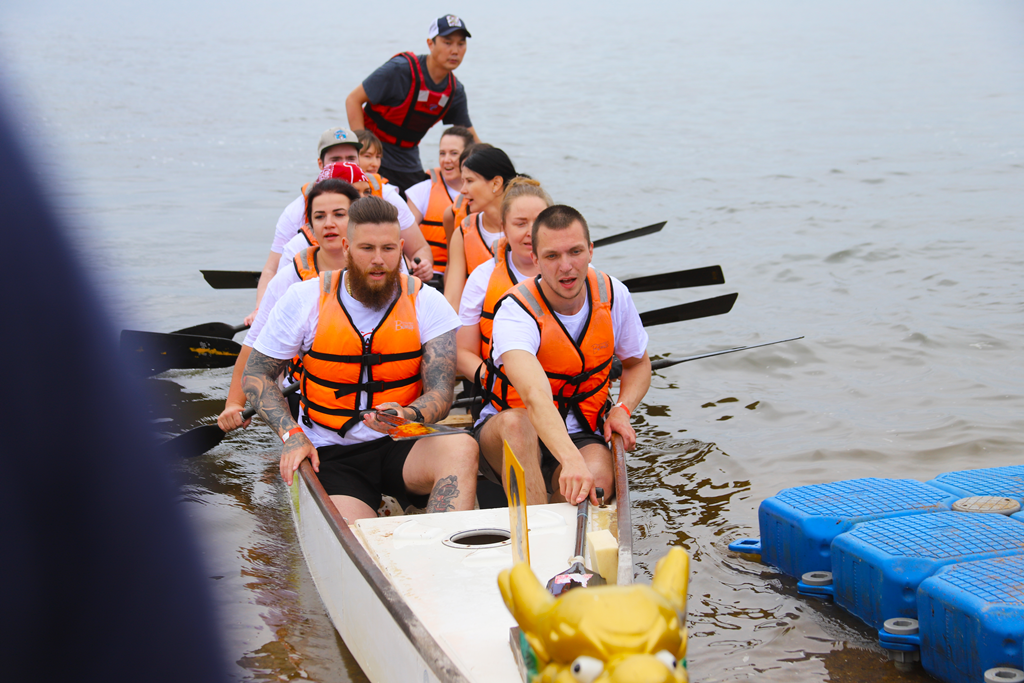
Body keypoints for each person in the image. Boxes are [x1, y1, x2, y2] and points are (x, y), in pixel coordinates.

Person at [242, 195, 478, 521]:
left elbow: (441, 394)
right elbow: (256, 375)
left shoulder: (428, 302)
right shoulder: (304, 299)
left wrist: (407, 413)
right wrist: (291, 435)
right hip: (331, 452)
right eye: (367, 248)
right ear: (347, 247)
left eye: (388, 249)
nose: (378, 260)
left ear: (400, 249)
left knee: (463, 447)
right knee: (355, 534)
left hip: (402, 439)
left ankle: (440, 539)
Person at [475, 205, 652, 507]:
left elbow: (637, 364)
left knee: (597, 480)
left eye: (575, 252)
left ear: (590, 251)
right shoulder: (516, 311)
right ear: (535, 259)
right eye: (552, 256)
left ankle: (558, 511)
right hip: (512, 427)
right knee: (518, 426)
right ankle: (536, 526)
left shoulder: (613, 295)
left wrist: (622, 409)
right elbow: (534, 396)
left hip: (581, 429)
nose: (566, 266)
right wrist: (570, 459)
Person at [218, 179, 361, 433]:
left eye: (339, 214)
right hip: (308, 392)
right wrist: (234, 404)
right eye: (319, 216)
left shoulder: (379, 267)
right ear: (310, 226)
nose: (329, 223)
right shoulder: (290, 277)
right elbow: (254, 343)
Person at [345, 15, 480, 195]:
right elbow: (353, 100)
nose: (455, 50)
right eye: (447, 43)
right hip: (374, 156)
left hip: (407, 159)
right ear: (430, 44)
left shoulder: (455, 91)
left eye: (461, 44)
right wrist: (361, 152)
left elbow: (469, 136)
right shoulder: (399, 69)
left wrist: (496, 165)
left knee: (421, 199)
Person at [251, 127, 364, 324]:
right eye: (336, 159)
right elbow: (271, 270)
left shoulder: (383, 199)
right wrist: (260, 311)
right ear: (321, 164)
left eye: (350, 158)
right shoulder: (295, 219)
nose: (343, 164)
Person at [456, 177, 552, 386]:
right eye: (520, 223)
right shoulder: (482, 277)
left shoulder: (575, 274)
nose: (531, 232)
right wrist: (494, 383)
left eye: (539, 222)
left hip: (565, 392)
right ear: (504, 228)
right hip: (504, 392)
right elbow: (463, 352)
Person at [443, 146, 518, 310]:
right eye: (463, 181)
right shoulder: (462, 233)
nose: (462, 190)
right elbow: (452, 301)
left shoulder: (531, 229)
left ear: (496, 183)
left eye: (469, 181)